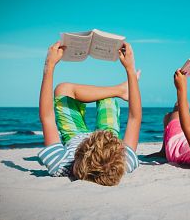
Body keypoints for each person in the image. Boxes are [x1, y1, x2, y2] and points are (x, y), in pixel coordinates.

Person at [38, 41, 142, 186]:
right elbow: (134, 118)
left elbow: (47, 117)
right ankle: (121, 90)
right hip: (108, 135)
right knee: (107, 100)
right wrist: (130, 70)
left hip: (75, 135)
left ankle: (119, 90)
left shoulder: (60, 164)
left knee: (63, 89)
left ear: (78, 154)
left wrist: (48, 67)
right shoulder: (123, 162)